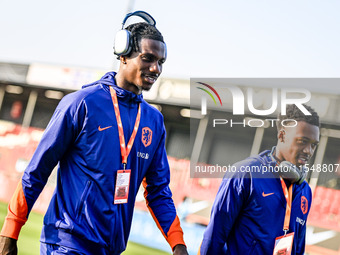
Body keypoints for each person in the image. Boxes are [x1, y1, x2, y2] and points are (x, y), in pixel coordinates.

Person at [0, 11, 188, 255]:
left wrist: (178, 245)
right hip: (67, 244)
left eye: (161, 62)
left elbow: (158, 191)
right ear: (123, 55)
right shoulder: (81, 103)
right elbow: (37, 170)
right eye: (148, 58)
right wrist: (9, 232)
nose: (156, 68)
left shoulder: (154, 121)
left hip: (110, 250)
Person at [199, 104, 320, 255]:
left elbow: (298, 248)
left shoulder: (305, 190)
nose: (308, 151)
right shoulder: (246, 173)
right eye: (302, 141)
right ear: (282, 136)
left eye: (314, 145)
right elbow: (214, 238)